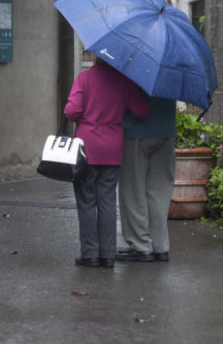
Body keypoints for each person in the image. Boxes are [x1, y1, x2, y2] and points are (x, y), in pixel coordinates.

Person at [64, 54, 149, 268]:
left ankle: (90, 254)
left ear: (95, 57)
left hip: (86, 151)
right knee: (108, 203)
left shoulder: (84, 78)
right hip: (112, 150)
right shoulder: (123, 81)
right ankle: (108, 255)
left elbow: (71, 111)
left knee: (86, 202)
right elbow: (141, 111)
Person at [117, 97, 177, 262]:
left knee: (133, 189)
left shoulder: (134, 71)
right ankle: (160, 246)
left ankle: (141, 245)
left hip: (137, 130)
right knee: (159, 191)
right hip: (166, 129)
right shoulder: (171, 71)